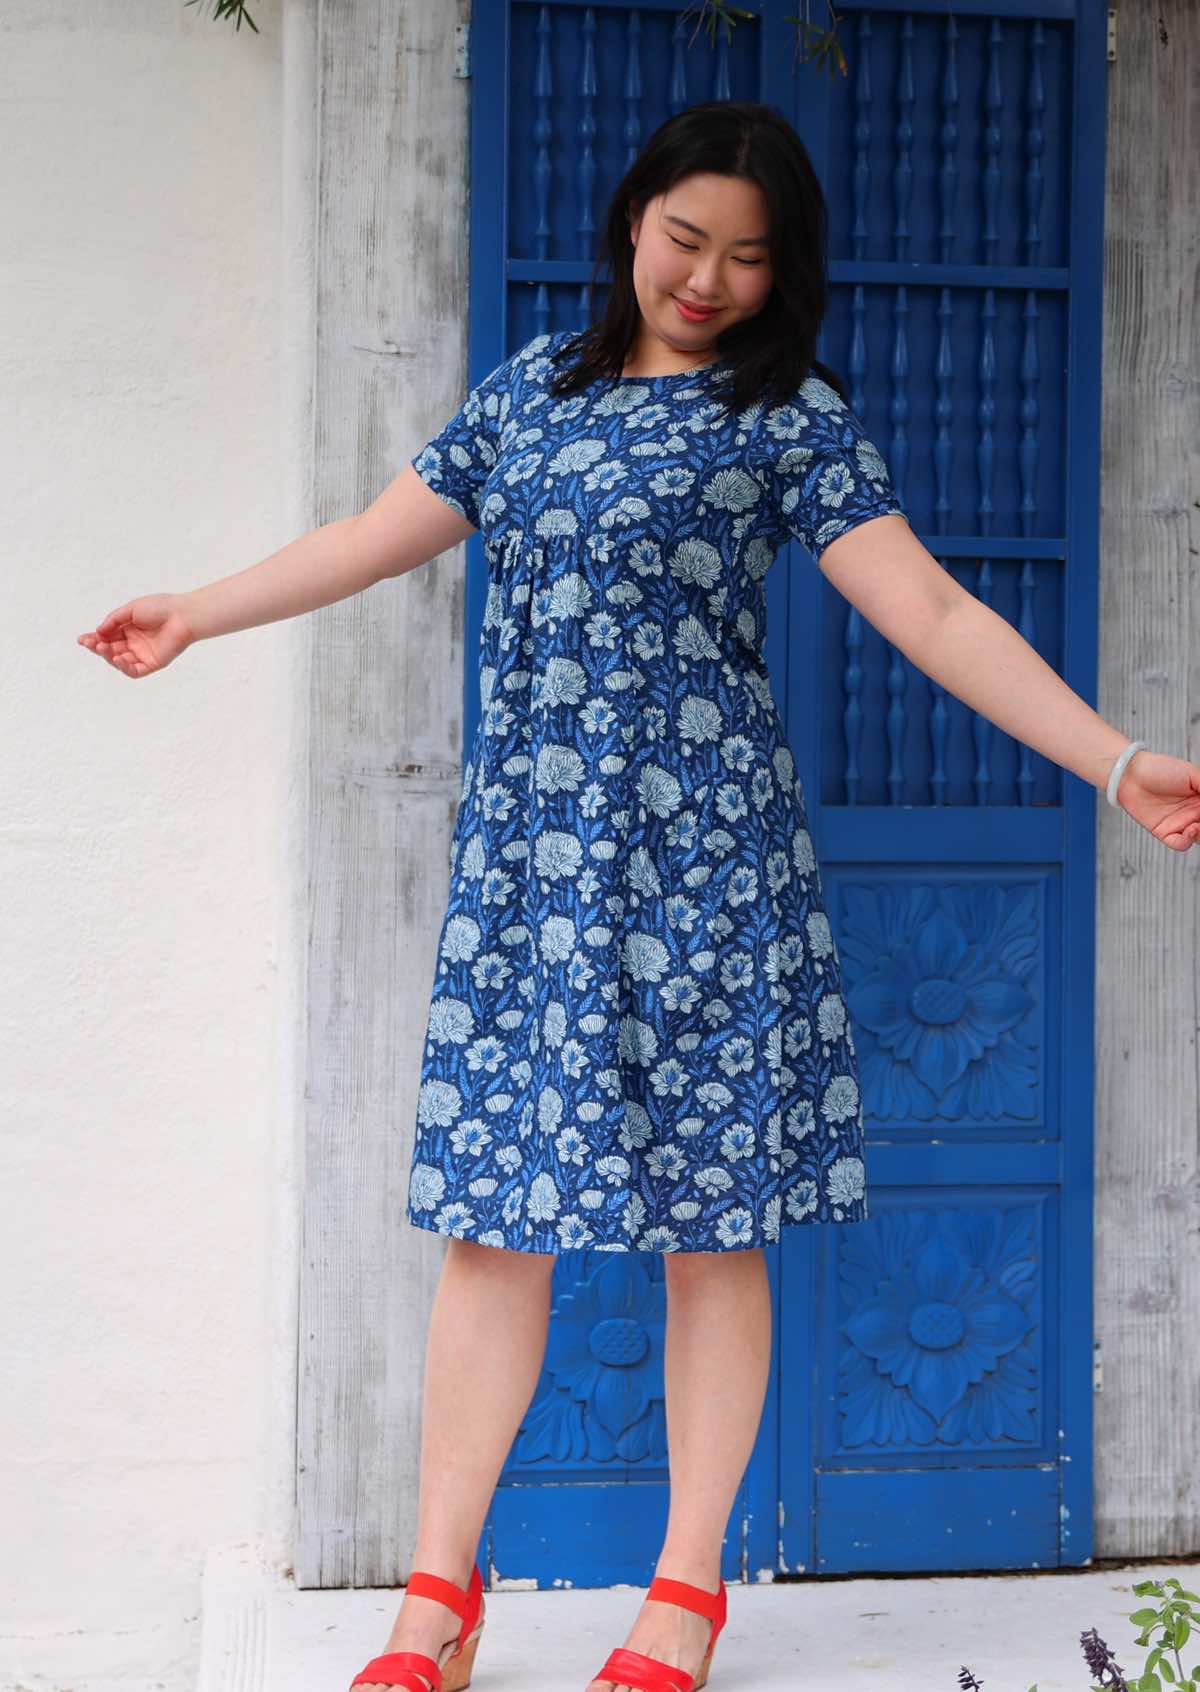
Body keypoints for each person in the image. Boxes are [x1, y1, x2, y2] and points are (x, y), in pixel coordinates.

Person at [77, 99, 1200, 1692]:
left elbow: (936, 612)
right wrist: (197, 609)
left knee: (711, 1233)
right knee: (491, 1222)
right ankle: (433, 1602)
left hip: (711, 881)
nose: (707, 280)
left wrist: (1114, 762)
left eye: (748, 256)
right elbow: (363, 537)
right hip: (528, 890)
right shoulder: (530, 392)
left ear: (781, 272)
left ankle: (683, 1593)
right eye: (686, 239)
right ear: (632, 222)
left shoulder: (787, 418)